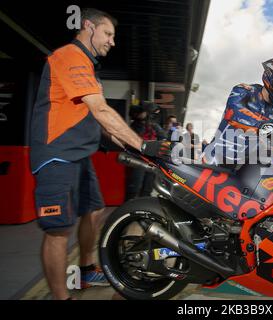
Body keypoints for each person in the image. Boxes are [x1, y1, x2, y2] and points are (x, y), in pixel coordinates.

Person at [30, 8, 168, 300]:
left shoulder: (87, 66)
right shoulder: (70, 56)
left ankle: (84, 270)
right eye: (108, 34)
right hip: (56, 155)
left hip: (79, 155)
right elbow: (101, 110)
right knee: (58, 230)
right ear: (88, 27)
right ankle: (60, 297)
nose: (112, 42)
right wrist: (142, 144)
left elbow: (100, 123)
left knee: (93, 212)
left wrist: (133, 147)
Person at [203, 56, 273, 165]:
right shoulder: (244, 90)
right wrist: (271, 130)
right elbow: (233, 113)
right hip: (212, 160)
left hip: (244, 170)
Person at [125, 103, 165, 200]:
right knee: (135, 185)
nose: (155, 116)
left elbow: (163, 139)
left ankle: (144, 208)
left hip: (152, 160)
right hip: (138, 159)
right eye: (154, 113)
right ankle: (129, 208)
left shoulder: (154, 126)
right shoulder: (136, 125)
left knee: (148, 187)